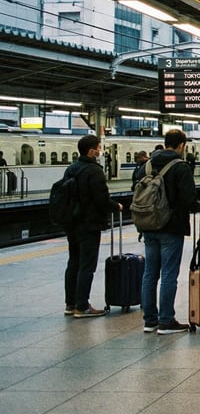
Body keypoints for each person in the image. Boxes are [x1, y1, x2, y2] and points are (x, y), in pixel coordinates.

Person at [140, 129, 200, 334]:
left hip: (148, 225)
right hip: (171, 227)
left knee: (150, 273)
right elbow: (188, 198)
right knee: (168, 274)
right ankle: (166, 320)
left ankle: (150, 320)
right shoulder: (180, 167)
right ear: (182, 145)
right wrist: (198, 207)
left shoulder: (146, 165)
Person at [63, 134, 122, 318]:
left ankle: (70, 304)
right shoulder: (94, 171)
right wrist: (116, 206)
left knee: (73, 262)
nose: (100, 150)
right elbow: (101, 199)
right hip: (89, 224)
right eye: (99, 147)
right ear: (91, 151)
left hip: (72, 223)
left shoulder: (71, 169)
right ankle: (82, 306)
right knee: (87, 265)